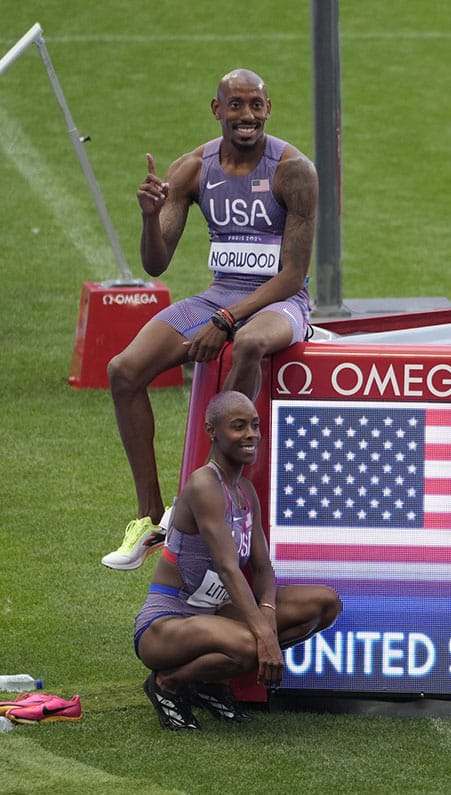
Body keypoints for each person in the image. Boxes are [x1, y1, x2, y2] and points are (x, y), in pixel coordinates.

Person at [103, 67, 317, 572]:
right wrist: (150, 218)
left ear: (268, 109)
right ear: (217, 109)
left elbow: (292, 277)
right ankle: (150, 515)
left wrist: (227, 319)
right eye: (236, 106)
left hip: (279, 304)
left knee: (247, 344)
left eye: (256, 106)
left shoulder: (294, 171)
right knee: (122, 371)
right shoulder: (192, 170)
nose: (247, 117)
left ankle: (202, 487)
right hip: (218, 295)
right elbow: (156, 264)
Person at [133, 390, 341, 730]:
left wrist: (268, 615)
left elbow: (262, 569)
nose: (251, 434)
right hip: (167, 624)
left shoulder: (244, 491)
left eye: (255, 426)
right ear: (212, 431)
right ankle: (168, 684)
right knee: (249, 646)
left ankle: (209, 681)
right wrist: (264, 635)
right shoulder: (204, 484)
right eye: (238, 426)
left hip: (215, 615)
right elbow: (230, 568)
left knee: (324, 605)